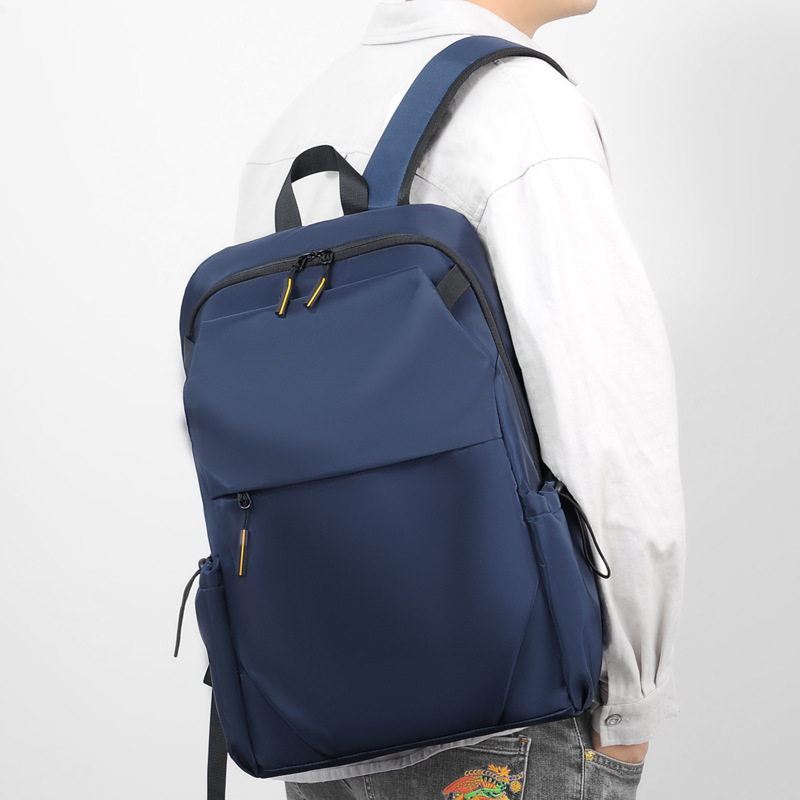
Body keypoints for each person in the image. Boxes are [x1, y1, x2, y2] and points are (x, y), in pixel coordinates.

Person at [234, 0, 686, 797]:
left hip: (322, 707)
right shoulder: (520, 107)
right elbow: (608, 421)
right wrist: (633, 695)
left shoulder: (301, 118)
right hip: (509, 708)